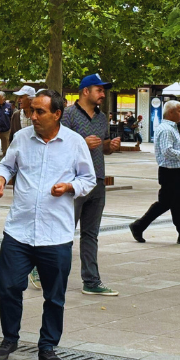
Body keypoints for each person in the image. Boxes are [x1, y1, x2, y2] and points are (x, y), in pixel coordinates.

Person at [0, 89, 95, 360]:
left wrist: (70, 186)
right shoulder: (22, 138)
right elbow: (7, 164)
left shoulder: (74, 143)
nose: (32, 116)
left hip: (55, 234)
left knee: (54, 295)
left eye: (39, 112)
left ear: (57, 114)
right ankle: (9, 338)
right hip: (19, 230)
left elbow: (89, 178)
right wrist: (0, 179)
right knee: (9, 286)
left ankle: (47, 346)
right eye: (31, 110)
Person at [59, 74, 121, 296]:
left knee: (90, 233)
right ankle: (46, 271)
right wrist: (81, 144)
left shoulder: (102, 117)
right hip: (74, 181)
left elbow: (101, 148)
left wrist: (109, 146)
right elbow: (59, 147)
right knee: (65, 231)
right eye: (99, 90)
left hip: (97, 180)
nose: (103, 94)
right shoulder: (67, 115)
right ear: (86, 91)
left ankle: (91, 281)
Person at [129, 101, 180, 244]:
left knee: (177, 204)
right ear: (171, 113)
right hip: (171, 173)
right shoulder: (167, 129)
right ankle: (139, 226)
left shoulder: (169, 128)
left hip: (174, 172)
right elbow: (167, 151)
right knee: (168, 203)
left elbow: (168, 148)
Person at [0, 91, 13, 156]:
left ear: (3, 98)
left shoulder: (9, 106)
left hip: (6, 131)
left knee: (6, 150)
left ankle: (5, 165)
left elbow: (11, 117)